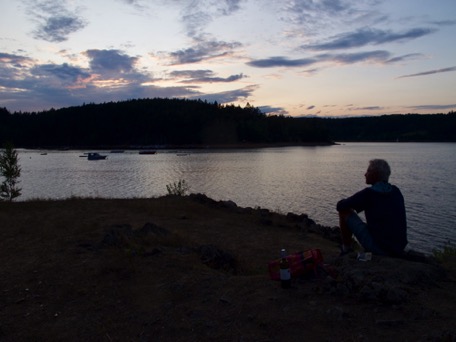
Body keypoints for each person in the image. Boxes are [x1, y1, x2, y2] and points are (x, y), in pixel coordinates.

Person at [336, 159, 407, 257]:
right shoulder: (396, 191)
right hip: (399, 248)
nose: (365, 174)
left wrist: (345, 202)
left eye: (368, 171)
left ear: (375, 174)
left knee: (344, 212)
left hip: (380, 249)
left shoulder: (369, 194)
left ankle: (346, 250)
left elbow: (340, 206)